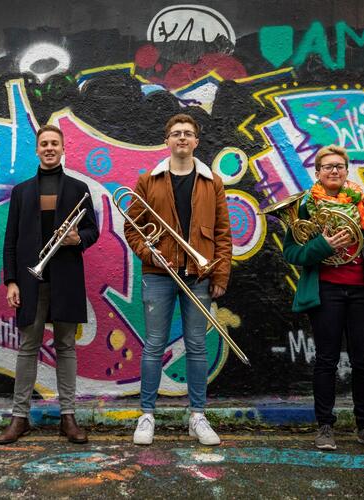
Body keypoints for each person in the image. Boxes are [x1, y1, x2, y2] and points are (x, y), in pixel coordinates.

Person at [124, 114, 232, 446]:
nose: (182, 138)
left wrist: (221, 273)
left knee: (197, 346)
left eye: (187, 134)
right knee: (154, 345)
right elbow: (132, 228)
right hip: (159, 275)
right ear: (167, 141)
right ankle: (146, 415)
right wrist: (149, 253)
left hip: (199, 275)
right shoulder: (149, 180)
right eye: (176, 133)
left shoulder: (211, 181)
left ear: (196, 141)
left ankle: (197, 416)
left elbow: (223, 233)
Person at [0, 124, 99, 444]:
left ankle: (67, 417)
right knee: (27, 348)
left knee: (66, 347)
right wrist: (11, 280)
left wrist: (75, 238)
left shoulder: (79, 189)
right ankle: (19, 417)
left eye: (55, 143)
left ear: (63, 148)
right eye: (44, 144)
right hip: (31, 280)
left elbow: (93, 231)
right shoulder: (22, 191)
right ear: (37, 149)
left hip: (66, 278)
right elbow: (10, 239)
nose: (50, 148)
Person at [282, 145, 364, 450]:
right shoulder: (306, 208)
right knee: (327, 360)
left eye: (340, 166)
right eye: (328, 166)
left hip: (362, 290)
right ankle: (324, 427)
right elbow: (291, 252)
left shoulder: (363, 204)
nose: (334, 170)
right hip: (327, 290)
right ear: (317, 173)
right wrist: (323, 246)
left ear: (347, 171)